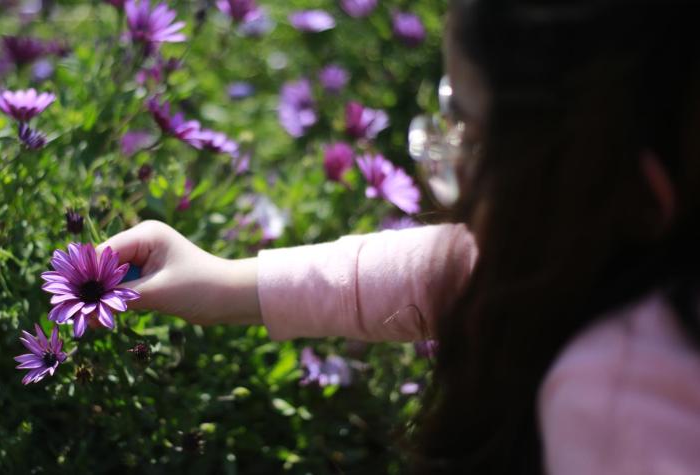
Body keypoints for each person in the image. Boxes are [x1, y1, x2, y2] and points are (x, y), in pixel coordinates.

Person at [99, 0, 700, 473]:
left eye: (467, 130)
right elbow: (467, 263)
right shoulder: (625, 243)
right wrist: (229, 283)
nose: (446, 157)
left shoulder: (624, 400)